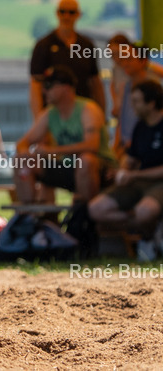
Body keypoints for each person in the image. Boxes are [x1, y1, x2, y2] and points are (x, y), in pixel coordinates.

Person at [14, 66, 114, 207]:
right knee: (21, 159)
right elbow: (23, 142)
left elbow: (92, 145)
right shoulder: (49, 113)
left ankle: (86, 214)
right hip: (67, 166)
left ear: (65, 87)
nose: (43, 91)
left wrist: (52, 151)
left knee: (85, 160)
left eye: (48, 86)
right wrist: (24, 152)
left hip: (99, 169)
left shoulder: (88, 109)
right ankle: (29, 214)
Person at [90, 80, 163, 261]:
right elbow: (131, 159)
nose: (132, 106)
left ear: (151, 103)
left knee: (145, 211)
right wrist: (120, 172)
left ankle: (147, 234)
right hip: (138, 182)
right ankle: (150, 231)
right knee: (96, 209)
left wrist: (134, 174)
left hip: (158, 182)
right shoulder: (141, 126)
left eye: (137, 101)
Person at [29, 0, 106, 118]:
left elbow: (95, 82)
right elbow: (35, 85)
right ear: (57, 13)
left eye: (71, 12)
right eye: (62, 11)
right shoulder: (43, 45)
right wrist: (39, 119)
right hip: (54, 116)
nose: (66, 16)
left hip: (83, 114)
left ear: (78, 15)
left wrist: (101, 115)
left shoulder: (86, 45)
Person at [113, 40, 162, 157]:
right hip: (125, 146)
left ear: (143, 61)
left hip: (143, 148)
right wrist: (117, 143)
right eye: (123, 59)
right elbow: (122, 119)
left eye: (129, 59)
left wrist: (134, 143)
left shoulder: (154, 87)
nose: (125, 63)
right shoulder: (125, 86)